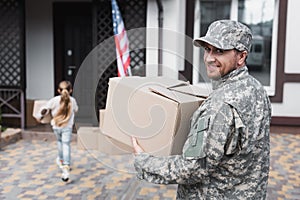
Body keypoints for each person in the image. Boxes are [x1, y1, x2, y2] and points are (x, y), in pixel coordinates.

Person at [132, 19, 271, 199]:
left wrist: (144, 161)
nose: (209, 58)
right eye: (207, 49)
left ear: (241, 57)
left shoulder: (220, 106)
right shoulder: (257, 90)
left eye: (219, 51)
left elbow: (192, 168)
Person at [39, 80, 78, 182]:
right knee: (66, 144)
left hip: (56, 126)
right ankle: (66, 165)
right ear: (71, 90)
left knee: (60, 142)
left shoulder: (54, 100)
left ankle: (61, 160)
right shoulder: (72, 101)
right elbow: (76, 110)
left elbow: (44, 109)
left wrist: (40, 115)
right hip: (67, 127)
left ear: (58, 90)